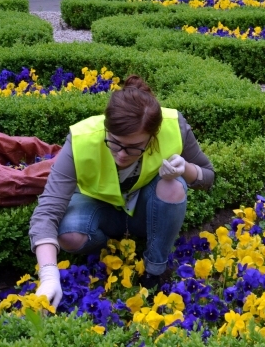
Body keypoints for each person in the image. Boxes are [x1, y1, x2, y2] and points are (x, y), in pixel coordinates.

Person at [30, 74, 215, 309]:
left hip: (145, 209)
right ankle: (109, 251)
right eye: (114, 143)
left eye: (134, 148)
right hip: (98, 208)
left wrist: (186, 169)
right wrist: (48, 276)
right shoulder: (81, 139)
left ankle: (154, 270)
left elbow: (208, 176)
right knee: (70, 235)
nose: (121, 154)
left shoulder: (174, 126)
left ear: (152, 137)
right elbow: (47, 211)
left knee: (173, 187)